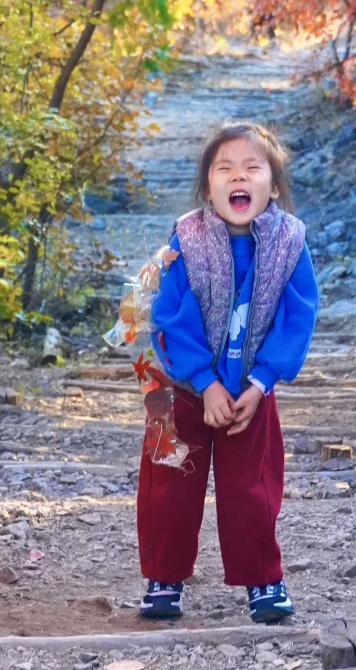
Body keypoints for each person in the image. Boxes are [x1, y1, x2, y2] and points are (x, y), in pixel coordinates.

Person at [137, 120, 320, 625]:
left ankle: (263, 577)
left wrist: (263, 381)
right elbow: (171, 314)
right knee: (167, 482)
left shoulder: (290, 242)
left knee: (253, 487)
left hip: (250, 390)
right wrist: (203, 380)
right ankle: (163, 576)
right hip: (179, 385)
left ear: (273, 186)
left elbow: (298, 313)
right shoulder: (186, 238)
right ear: (208, 187)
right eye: (224, 169)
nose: (238, 176)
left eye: (251, 168)